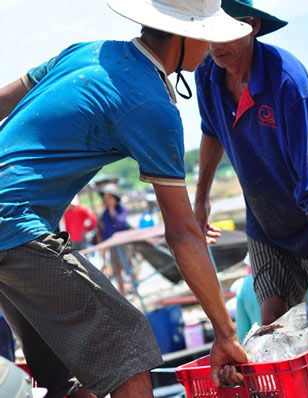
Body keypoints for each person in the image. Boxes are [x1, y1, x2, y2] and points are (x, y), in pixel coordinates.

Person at [0, 1, 252, 397]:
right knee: (128, 352)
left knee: (66, 377)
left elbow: (1, 101)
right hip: (14, 224)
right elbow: (184, 233)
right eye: (205, 34)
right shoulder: (150, 104)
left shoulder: (86, 51)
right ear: (183, 35)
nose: (209, 46)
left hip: (12, 231)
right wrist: (225, 332)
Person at [194, 0, 308, 327]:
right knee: (273, 319)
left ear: (253, 26)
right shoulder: (207, 72)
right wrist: (201, 201)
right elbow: (211, 130)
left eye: (224, 33)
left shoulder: (288, 84)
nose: (214, 45)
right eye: (207, 33)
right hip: (265, 218)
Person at [98, 184, 132, 296]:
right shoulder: (105, 214)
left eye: (108, 198)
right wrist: (103, 246)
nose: (106, 200)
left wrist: (112, 209)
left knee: (129, 269)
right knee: (116, 271)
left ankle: (134, 292)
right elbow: (106, 231)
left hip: (124, 243)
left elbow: (120, 224)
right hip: (113, 246)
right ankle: (123, 295)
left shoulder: (122, 210)